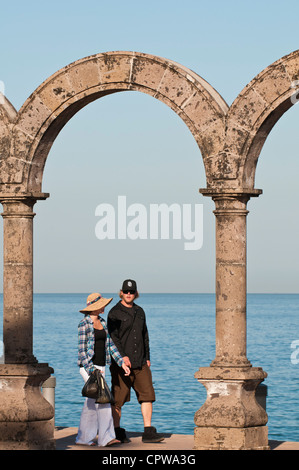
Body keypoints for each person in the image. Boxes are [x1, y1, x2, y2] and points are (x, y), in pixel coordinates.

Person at [107, 279, 164, 444]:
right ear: (121, 292)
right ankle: (116, 431)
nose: (129, 294)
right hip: (121, 364)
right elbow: (113, 338)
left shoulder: (140, 312)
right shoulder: (114, 313)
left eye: (132, 292)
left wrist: (147, 358)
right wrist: (122, 356)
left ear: (136, 293)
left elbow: (145, 335)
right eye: (126, 292)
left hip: (141, 362)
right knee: (118, 399)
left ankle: (148, 431)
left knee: (148, 396)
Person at [76, 292, 130, 447]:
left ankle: (83, 438)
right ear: (94, 307)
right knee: (104, 400)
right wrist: (91, 369)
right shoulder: (84, 324)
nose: (104, 307)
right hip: (89, 368)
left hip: (101, 366)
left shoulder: (103, 323)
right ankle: (106, 438)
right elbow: (82, 351)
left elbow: (111, 346)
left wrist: (121, 363)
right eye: (102, 305)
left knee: (91, 403)